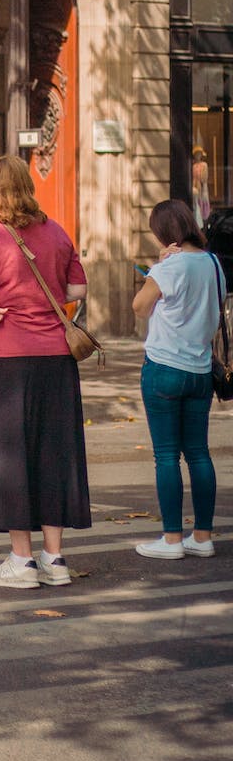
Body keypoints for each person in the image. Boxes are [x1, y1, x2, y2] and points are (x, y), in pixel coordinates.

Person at [0, 154, 90, 589]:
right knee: (54, 451)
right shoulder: (55, 231)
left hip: (3, 357)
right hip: (56, 358)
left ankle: (21, 561)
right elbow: (78, 288)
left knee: (8, 453)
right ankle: (55, 558)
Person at [132, 199, 221, 560]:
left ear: (164, 233)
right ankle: (202, 536)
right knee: (199, 453)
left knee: (166, 455)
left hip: (165, 367)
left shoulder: (170, 266)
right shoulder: (212, 262)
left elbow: (140, 306)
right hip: (201, 370)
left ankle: (171, 539)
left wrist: (158, 266)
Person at [191, 147, 211, 228]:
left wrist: (201, 180)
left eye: (199, 154)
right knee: (196, 203)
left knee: (203, 202)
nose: (197, 156)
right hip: (195, 186)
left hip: (202, 187)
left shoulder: (204, 165)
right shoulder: (193, 165)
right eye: (196, 154)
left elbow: (204, 177)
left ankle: (205, 224)